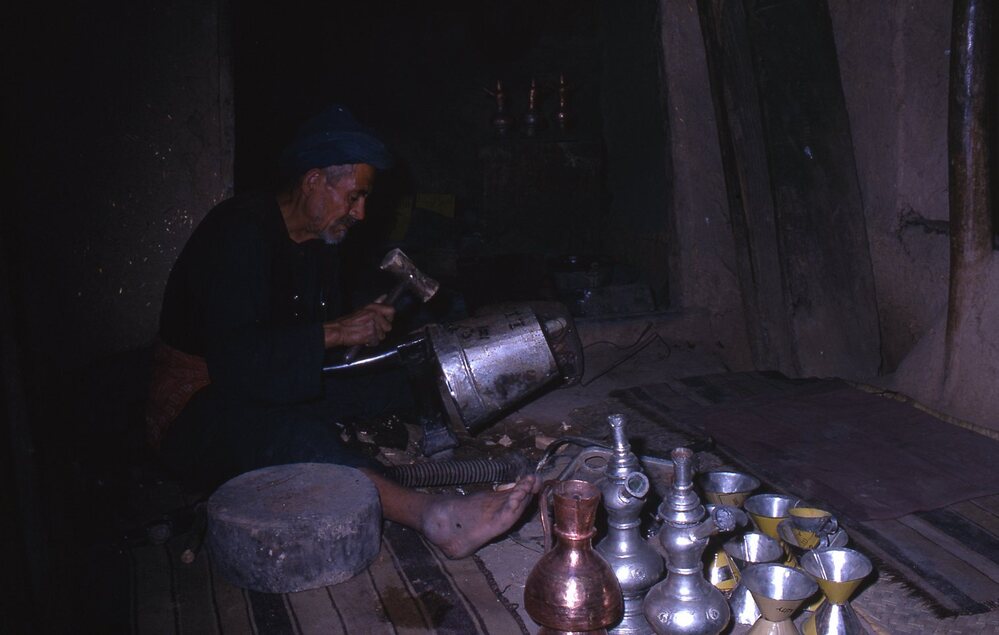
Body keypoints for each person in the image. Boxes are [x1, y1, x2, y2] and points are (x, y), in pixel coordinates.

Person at [146, 105, 538, 558]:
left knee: (398, 382)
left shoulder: (322, 245)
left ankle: (499, 443)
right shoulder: (237, 234)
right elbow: (235, 364)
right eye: (354, 197)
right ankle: (435, 517)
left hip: (267, 385)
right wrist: (333, 333)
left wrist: (357, 331)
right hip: (198, 405)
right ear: (314, 181)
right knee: (295, 437)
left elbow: (309, 351)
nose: (362, 212)